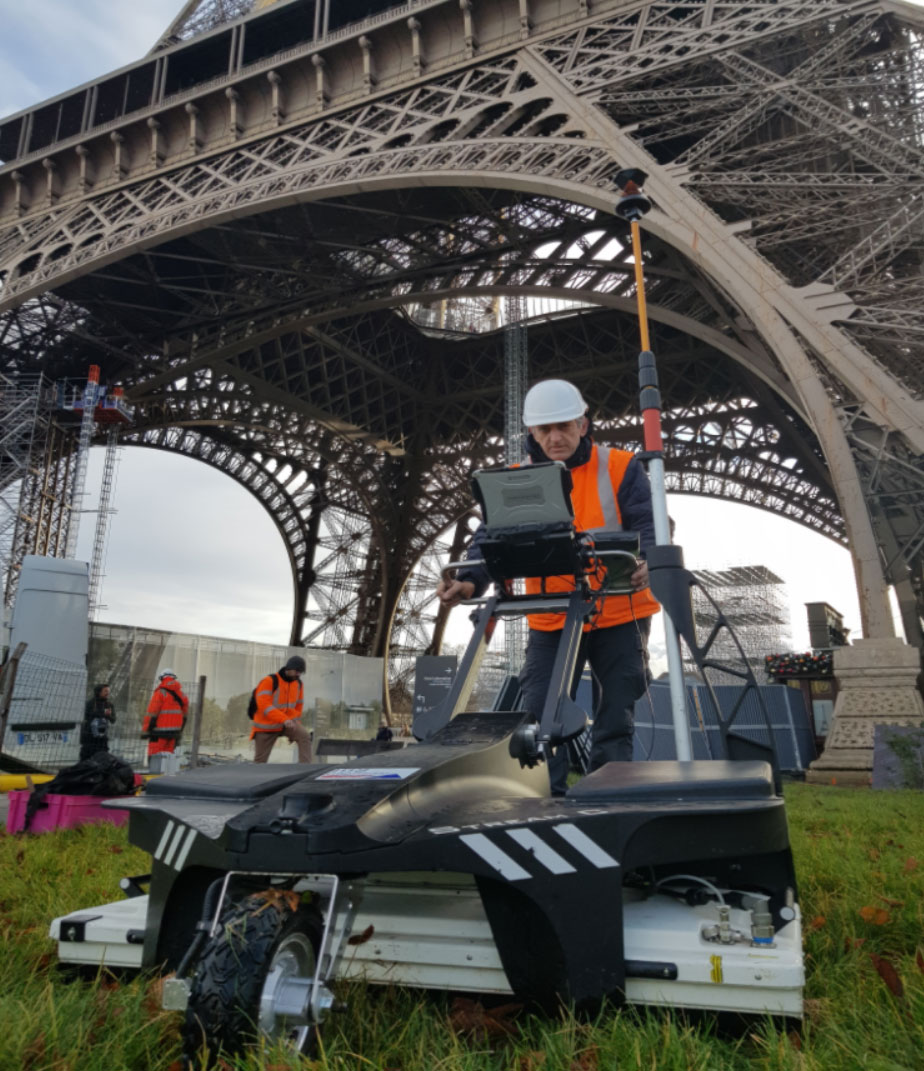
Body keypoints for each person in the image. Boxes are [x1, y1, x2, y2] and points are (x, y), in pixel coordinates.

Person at [436, 378, 660, 795]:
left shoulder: (621, 466)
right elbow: (491, 537)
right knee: (538, 713)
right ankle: (542, 801)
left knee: (615, 714)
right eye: (545, 430)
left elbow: (649, 525)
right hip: (552, 614)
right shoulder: (517, 478)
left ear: (583, 423)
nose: (555, 438)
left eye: (565, 427)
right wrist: (468, 582)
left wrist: (646, 558)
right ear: (531, 434)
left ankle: (608, 798)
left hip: (618, 610)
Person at [251, 655, 313, 763]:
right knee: (259, 762)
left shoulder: (298, 684)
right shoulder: (269, 681)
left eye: (300, 672)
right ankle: (255, 777)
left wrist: (295, 723)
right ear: (289, 668)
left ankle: (304, 769)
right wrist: (284, 719)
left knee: (304, 736)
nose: (298, 674)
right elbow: (264, 706)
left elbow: (298, 706)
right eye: (297, 671)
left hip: (288, 723)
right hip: (266, 726)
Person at [142, 669, 189, 759]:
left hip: (158, 733)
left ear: (162, 679)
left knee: (154, 757)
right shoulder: (183, 696)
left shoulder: (160, 693)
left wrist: (146, 731)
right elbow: (185, 717)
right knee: (167, 759)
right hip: (174, 733)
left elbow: (152, 713)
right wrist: (179, 732)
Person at [79, 682, 116, 761]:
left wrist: (108, 715)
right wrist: (98, 714)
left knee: (102, 758)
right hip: (90, 738)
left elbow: (113, 720)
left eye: (108, 691)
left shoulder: (109, 705)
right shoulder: (90, 704)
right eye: (105, 691)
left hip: (102, 739)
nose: (107, 693)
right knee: (87, 758)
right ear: (98, 692)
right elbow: (84, 716)